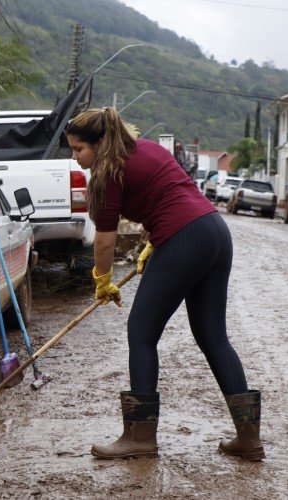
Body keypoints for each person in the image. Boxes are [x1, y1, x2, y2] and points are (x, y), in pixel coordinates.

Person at [64, 107, 264, 461]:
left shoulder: (109, 174)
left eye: (79, 149)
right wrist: (153, 242)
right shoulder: (148, 149)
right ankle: (248, 438)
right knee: (213, 337)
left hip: (184, 238)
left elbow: (105, 242)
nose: (75, 156)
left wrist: (103, 280)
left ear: (100, 143)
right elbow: (166, 197)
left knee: (140, 331)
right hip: (214, 232)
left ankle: (139, 436)